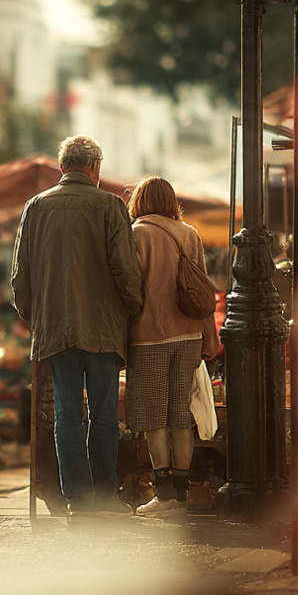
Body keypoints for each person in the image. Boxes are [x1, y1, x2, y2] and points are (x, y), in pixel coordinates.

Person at [11, 135, 143, 517]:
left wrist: (36, 317)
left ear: (62, 167)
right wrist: (133, 308)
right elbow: (124, 270)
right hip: (102, 329)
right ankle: (104, 498)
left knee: (67, 412)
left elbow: (20, 276)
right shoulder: (109, 205)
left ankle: (78, 501)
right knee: (103, 411)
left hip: (54, 330)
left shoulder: (35, 207)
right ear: (96, 168)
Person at [124, 176, 220, 517]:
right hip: (189, 335)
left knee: (154, 420)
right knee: (181, 416)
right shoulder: (189, 233)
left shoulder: (137, 234)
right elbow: (202, 291)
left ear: (139, 201)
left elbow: (131, 289)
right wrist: (209, 336)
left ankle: (164, 496)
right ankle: (182, 494)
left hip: (150, 336)